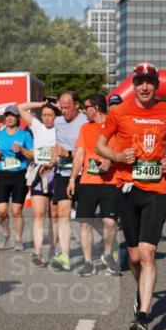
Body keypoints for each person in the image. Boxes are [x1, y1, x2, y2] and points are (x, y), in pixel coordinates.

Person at [96, 63, 166, 330]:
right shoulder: (119, 111)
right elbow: (99, 144)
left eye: (150, 82)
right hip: (127, 187)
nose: (145, 87)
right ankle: (140, 286)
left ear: (157, 84)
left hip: (156, 189)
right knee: (133, 256)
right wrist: (118, 157)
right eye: (140, 82)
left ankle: (143, 316)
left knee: (148, 253)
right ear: (134, 84)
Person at [67, 95, 120, 276]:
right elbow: (80, 155)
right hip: (88, 182)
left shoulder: (114, 126)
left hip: (110, 182)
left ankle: (107, 254)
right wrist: (72, 178)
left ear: (96, 108)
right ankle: (89, 263)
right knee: (85, 224)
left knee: (110, 222)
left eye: (86, 107)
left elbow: (119, 151)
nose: (83, 110)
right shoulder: (85, 128)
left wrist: (110, 162)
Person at [18, 100, 60, 266]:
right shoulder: (37, 126)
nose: (47, 118)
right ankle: (38, 251)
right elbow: (20, 107)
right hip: (38, 175)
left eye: (50, 115)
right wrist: (42, 103)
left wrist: (52, 163)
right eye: (44, 115)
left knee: (54, 216)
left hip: (56, 174)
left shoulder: (61, 129)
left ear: (56, 116)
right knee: (39, 215)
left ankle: (53, 250)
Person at [49, 92, 87, 272]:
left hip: (85, 173)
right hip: (63, 173)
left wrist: (69, 153)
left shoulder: (87, 121)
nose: (63, 111)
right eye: (61, 108)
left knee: (86, 218)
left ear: (77, 105)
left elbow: (90, 148)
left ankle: (107, 247)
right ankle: (65, 255)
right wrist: (51, 160)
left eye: (67, 108)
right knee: (63, 213)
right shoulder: (57, 122)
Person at [0, 104, 34, 251]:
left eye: (12, 115)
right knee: (2, 210)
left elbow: (33, 154)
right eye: (7, 115)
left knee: (16, 211)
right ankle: (5, 233)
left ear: (18, 118)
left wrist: (22, 150)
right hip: (3, 175)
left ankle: (18, 240)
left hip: (19, 175)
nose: (9, 118)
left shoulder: (24, 135)